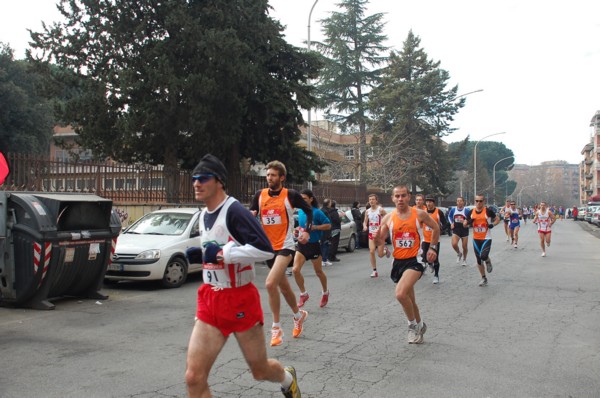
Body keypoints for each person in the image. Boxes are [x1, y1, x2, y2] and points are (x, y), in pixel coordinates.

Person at [185, 154, 300, 398]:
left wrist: (222, 255)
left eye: (203, 178)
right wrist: (204, 255)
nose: (196, 183)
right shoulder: (204, 213)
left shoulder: (234, 211)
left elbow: (264, 249)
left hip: (239, 299)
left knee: (259, 370)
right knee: (194, 377)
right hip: (210, 297)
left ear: (219, 182)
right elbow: (217, 247)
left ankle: (286, 378)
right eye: (194, 178)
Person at [249, 160, 310, 347]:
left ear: (282, 177)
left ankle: (276, 328)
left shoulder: (290, 195)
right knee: (283, 287)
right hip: (268, 248)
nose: (269, 178)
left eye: (273, 175)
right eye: (267, 175)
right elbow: (252, 213)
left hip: (286, 245)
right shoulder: (260, 195)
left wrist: (306, 229)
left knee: (269, 284)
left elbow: (308, 209)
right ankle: (299, 315)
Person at [373, 185, 440, 344]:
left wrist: (432, 248)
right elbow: (380, 240)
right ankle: (420, 325)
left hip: (415, 261)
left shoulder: (419, 214)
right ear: (392, 198)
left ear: (409, 197)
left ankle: (412, 326)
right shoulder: (388, 218)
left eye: (403, 196)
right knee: (410, 300)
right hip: (397, 262)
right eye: (397, 196)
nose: (400, 199)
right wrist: (378, 242)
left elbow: (436, 227)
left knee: (400, 294)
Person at [293, 189, 331, 308]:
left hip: (314, 245)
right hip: (302, 246)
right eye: (301, 199)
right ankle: (303, 294)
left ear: (311, 199)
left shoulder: (317, 212)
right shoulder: (300, 212)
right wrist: (297, 231)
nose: (302, 201)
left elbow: (328, 225)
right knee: (295, 270)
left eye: (304, 198)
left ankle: (325, 292)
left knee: (318, 272)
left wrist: (315, 227)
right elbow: (301, 226)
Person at [464, 194, 499, 287]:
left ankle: (487, 260)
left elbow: (497, 219)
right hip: (476, 239)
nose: (478, 203)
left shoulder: (488, 211)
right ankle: (484, 278)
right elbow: (465, 223)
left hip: (486, 238)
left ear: (483, 202)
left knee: (483, 256)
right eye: (477, 201)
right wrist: (467, 223)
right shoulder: (471, 212)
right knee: (479, 260)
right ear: (475, 201)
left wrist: (492, 224)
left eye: (480, 201)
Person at [422, 195, 448, 284]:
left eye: (430, 202)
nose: (428, 204)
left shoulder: (438, 212)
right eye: (427, 202)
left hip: (435, 240)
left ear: (433, 203)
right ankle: (430, 264)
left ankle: (436, 275)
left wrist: (440, 230)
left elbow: (445, 224)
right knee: (425, 258)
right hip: (425, 239)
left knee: (435, 258)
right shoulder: (423, 212)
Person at [363, 193, 389, 278]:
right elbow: (365, 221)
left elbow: (387, 217)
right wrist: (365, 226)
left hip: (380, 234)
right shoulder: (367, 211)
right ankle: (374, 271)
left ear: (376, 200)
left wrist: (384, 226)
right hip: (371, 233)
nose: (371, 201)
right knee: (371, 251)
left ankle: (385, 251)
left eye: (373, 199)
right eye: (370, 200)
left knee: (380, 255)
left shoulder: (380, 210)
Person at [447, 196, 471, 266]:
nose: (459, 202)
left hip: (464, 230)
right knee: (454, 244)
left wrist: (465, 222)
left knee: (464, 246)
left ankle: (464, 259)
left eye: (461, 201)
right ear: (456, 202)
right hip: (456, 229)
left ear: (463, 202)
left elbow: (470, 220)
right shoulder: (453, 210)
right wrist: (451, 223)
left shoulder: (467, 211)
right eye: (458, 201)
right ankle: (459, 253)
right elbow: (449, 216)